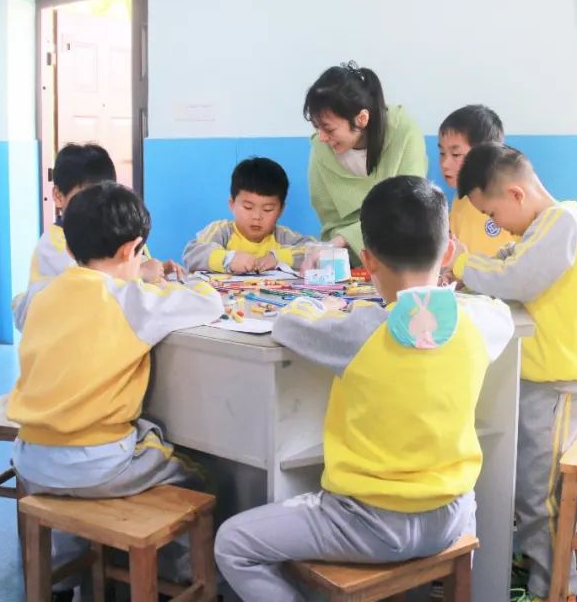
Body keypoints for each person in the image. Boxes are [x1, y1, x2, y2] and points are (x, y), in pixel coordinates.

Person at [214, 176, 514, 601]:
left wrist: (321, 305)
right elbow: (498, 311)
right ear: (448, 250)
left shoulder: (359, 331)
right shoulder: (480, 323)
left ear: (368, 261)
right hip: (449, 517)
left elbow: (288, 324)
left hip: (366, 524)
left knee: (233, 543)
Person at [8, 181, 223, 600]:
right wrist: (181, 281)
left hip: (30, 459)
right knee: (199, 478)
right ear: (131, 249)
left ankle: (62, 584)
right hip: (100, 463)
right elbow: (209, 302)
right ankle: (184, 580)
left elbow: (23, 308)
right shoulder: (131, 300)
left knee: (65, 496)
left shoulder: (40, 296)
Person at [445, 144, 577, 602]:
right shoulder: (541, 229)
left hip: (560, 386)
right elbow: (507, 264)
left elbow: (515, 279)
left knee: (541, 494)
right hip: (543, 381)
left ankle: (554, 588)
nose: (496, 225)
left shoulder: (562, 223)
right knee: (528, 487)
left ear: (515, 194)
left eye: (492, 214)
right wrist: (471, 266)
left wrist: (459, 261)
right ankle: (537, 562)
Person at [12, 142, 180, 330]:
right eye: (85, 196)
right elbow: (89, 286)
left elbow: (129, 266)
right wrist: (141, 272)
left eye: (104, 195)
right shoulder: (54, 244)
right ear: (58, 196)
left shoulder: (111, 232)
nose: (98, 206)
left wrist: (157, 269)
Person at [304, 62, 428, 261]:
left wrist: (344, 239)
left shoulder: (404, 134)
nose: (322, 137)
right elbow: (330, 223)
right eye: (316, 127)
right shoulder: (321, 150)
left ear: (361, 119)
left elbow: (408, 208)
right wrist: (338, 245)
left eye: (329, 129)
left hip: (401, 257)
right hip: (347, 260)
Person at [183, 157, 316, 273]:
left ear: (281, 210)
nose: (257, 216)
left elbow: (315, 250)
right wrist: (228, 260)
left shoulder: (282, 236)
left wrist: (278, 258)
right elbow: (192, 254)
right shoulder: (221, 231)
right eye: (248, 207)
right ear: (232, 204)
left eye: (268, 209)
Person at [438, 104, 518, 256]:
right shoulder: (459, 199)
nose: (445, 164)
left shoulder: (509, 205)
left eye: (456, 154)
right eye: (442, 153)